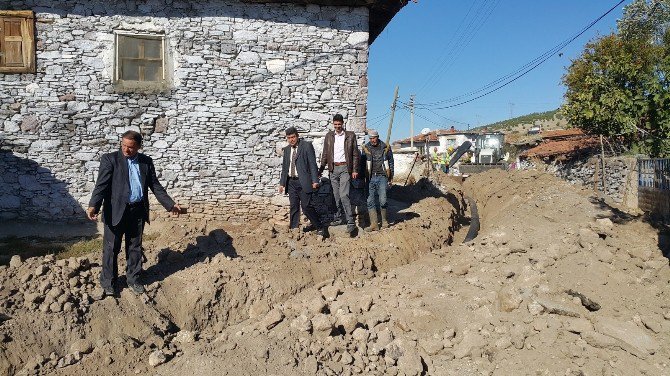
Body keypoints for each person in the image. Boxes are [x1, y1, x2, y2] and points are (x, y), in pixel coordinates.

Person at [87, 130, 181, 297]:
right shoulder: (110, 159)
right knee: (111, 248)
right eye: (123, 145)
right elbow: (101, 185)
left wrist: (170, 204)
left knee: (135, 247)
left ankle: (134, 279)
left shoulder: (146, 162)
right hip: (115, 211)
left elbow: (155, 186)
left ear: (138, 146)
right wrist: (93, 205)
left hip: (137, 211)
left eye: (130, 147)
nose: (126, 149)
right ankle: (108, 282)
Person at [278, 127, 328, 239]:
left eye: (293, 137)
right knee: (294, 206)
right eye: (289, 138)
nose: (291, 140)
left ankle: (320, 227)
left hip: (303, 181)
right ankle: (294, 229)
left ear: (297, 136)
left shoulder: (306, 146)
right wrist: (282, 183)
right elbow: (285, 167)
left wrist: (315, 180)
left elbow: (312, 164)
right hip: (291, 182)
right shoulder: (286, 150)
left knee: (306, 207)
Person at [319, 114, 360, 235]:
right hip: (333, 169)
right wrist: (320, 169)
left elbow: (355, 154)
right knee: (336, 196)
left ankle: (351, 222)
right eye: (335, 124)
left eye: (339, 124)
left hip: (345, 168)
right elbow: (325, 153)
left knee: (344, 195)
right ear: (333, 124)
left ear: (343, 123)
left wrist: (355, 170)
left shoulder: (350, 136)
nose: (337, 126)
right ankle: (337, 218)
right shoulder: (329, 136)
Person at [362, 129, 394, 231]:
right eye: (370, 138)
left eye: (374, 138)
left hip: (382, 177)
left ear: (378, 137)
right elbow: (362, 164)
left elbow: (391, 162)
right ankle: (374, 224)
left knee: (383, 200)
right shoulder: (366, 148)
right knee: (370, 201)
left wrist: (391, 177)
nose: (372, 140)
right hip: (370, 178)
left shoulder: (386, 147)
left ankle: (384, 221)